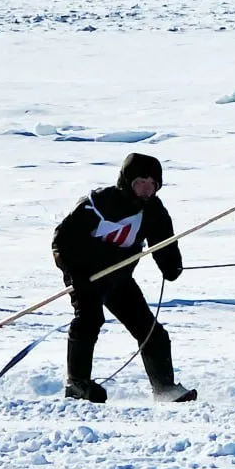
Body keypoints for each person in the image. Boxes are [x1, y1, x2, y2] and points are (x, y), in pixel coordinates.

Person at [50, 152, 195, 403]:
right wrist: (76, 275)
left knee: (151, 332)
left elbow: (164, 244)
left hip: (118, 278)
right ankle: (76, 383)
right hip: (85, 276)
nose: (146, 190)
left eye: (153, 185)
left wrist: (171, 267)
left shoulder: (153, 211)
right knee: (90, 318)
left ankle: (165, 389)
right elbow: (62, 242)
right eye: (141, 183)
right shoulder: (98, 204)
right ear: (127, 181)